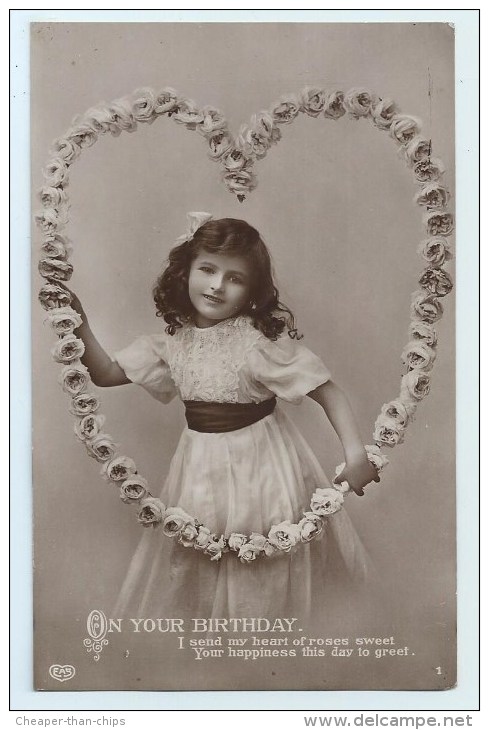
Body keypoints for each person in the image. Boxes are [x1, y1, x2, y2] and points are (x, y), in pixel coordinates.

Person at [67, 213, 380, 622]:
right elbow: (106, 374)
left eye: (234, 278)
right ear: (186, 273)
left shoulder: (256, 345)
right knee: (198, 554)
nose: (217, 285)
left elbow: (329, 392)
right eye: (208, 270)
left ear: (252, 291)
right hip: (199, 465)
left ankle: (261, 646)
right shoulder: (173, 341)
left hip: (260, 464)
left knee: (260, 556)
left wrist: (355, 455)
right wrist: (78, 321)